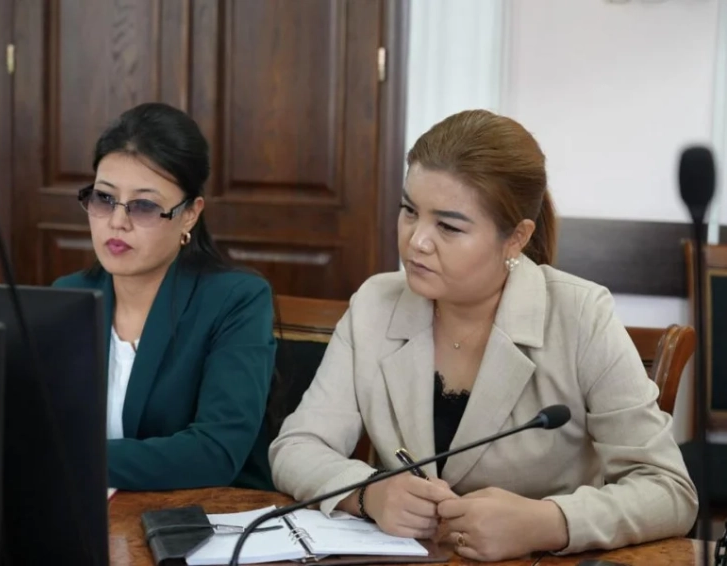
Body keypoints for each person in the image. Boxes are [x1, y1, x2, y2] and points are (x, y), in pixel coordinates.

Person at [269, 109, 698, 561]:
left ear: (516, 237)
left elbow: (668, 489)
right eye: (409, 211)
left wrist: (547, 522)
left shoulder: (580, 316)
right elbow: (297, 447)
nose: (416, 241)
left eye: (448, 226)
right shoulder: (376, 303)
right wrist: (367, 493)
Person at [53, 102, 276, 492]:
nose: (117, 222)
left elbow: (215, 452)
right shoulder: (69, 297)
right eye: (104, 198)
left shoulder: (236, 300)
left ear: (189, 214)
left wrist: (70, 459)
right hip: (90, 512)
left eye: (144, 206)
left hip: (201, 518)